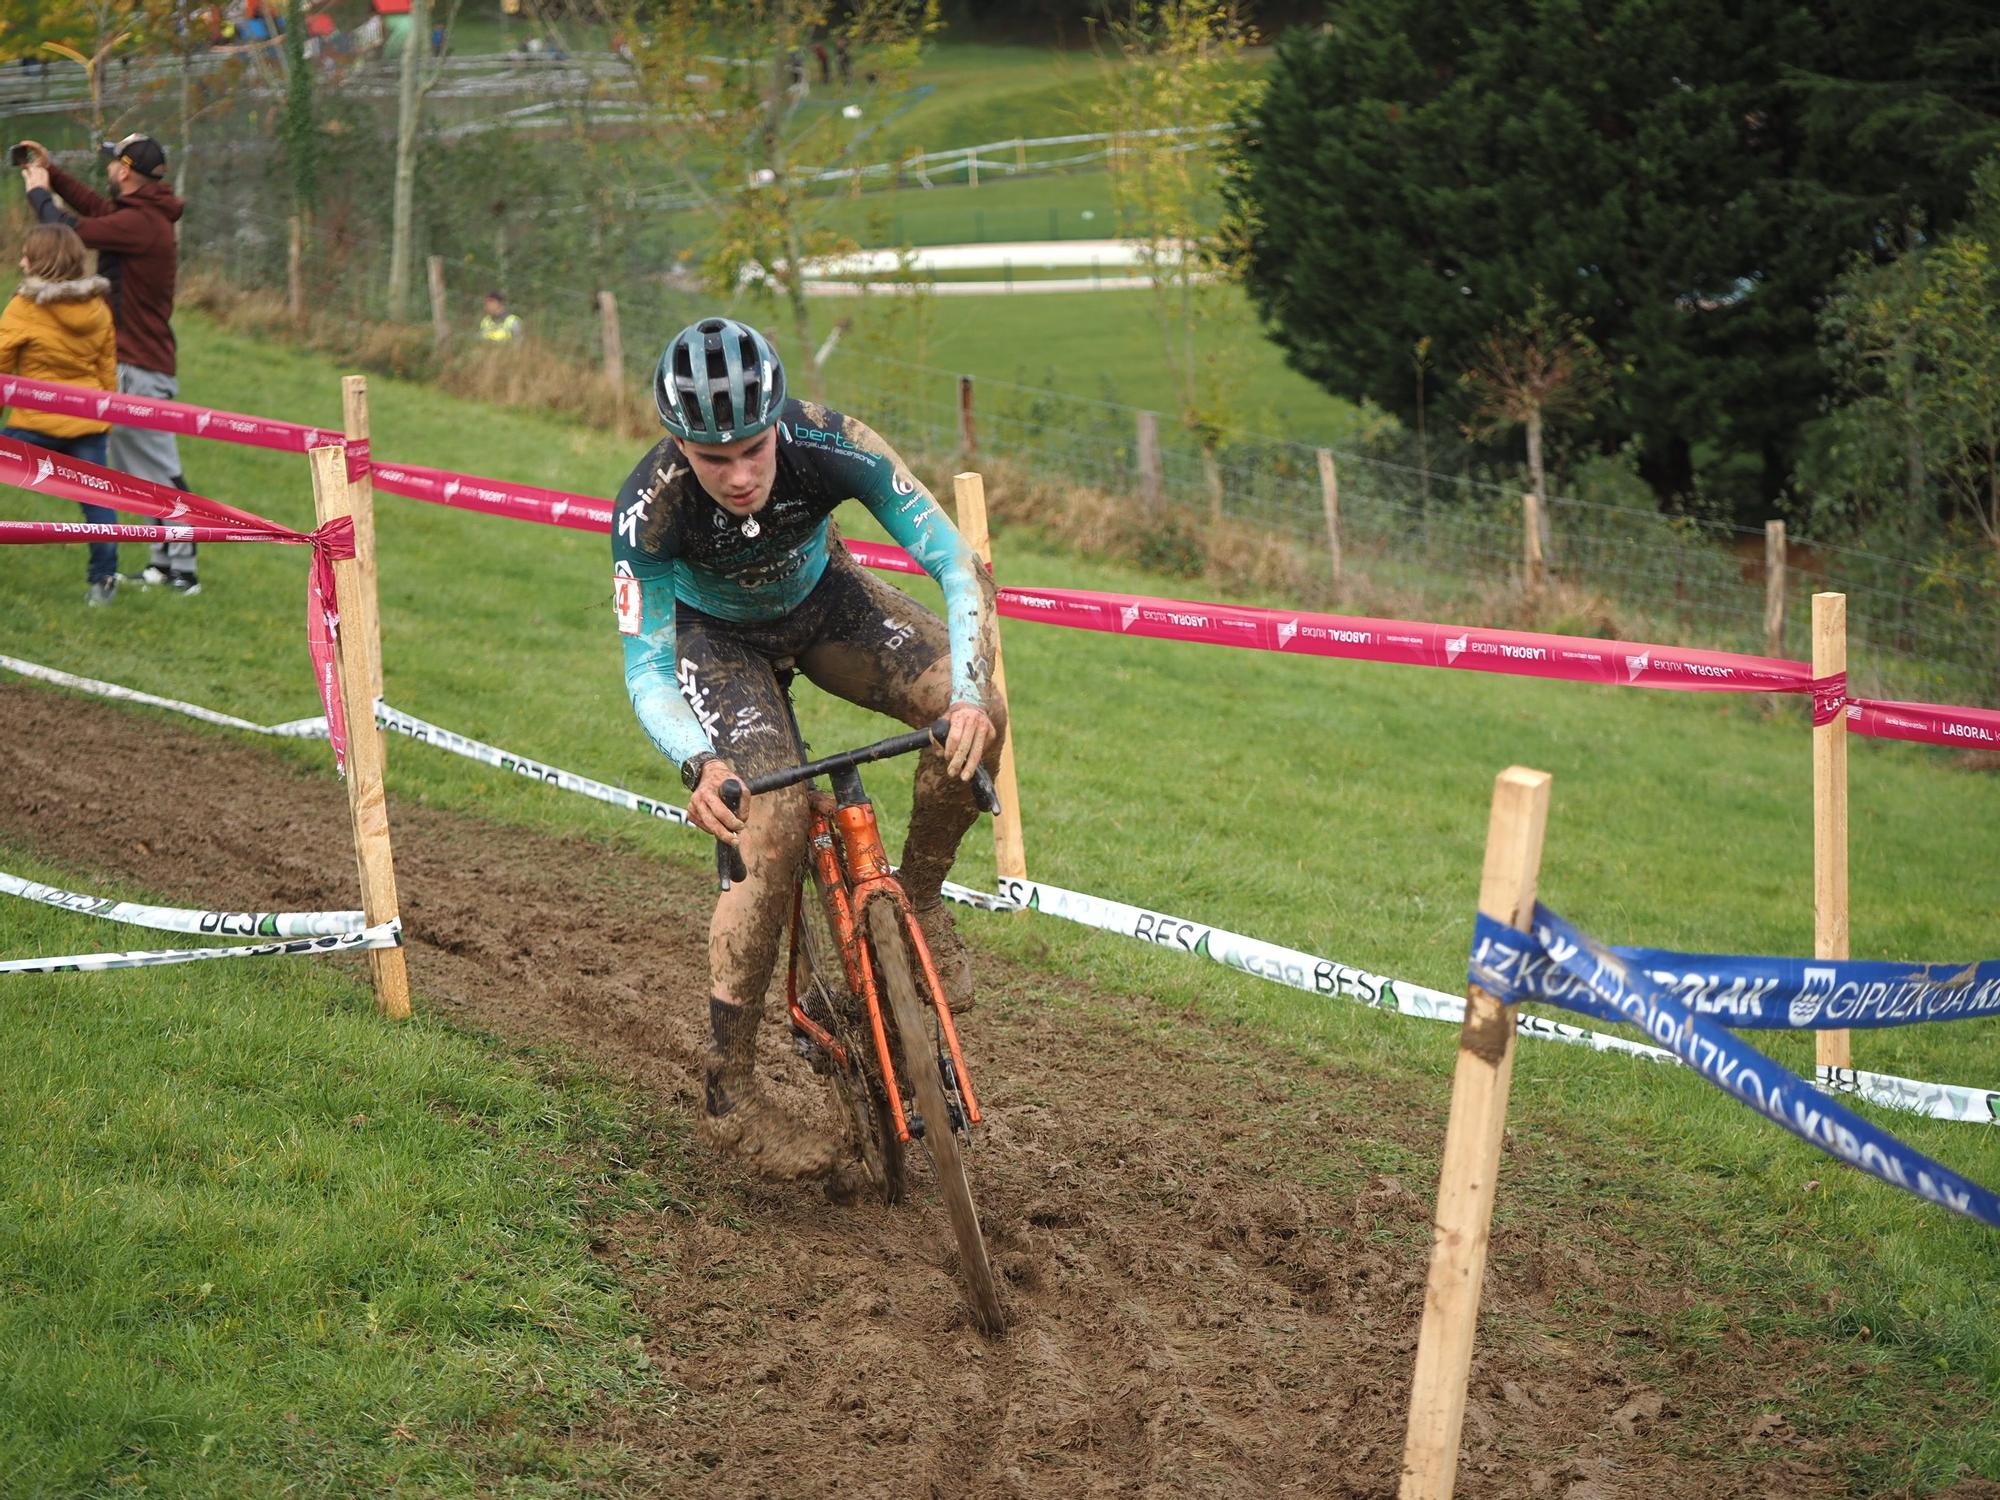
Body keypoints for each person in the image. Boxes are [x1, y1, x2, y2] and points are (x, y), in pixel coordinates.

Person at [614, 317, 1005, 1180]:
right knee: (773, 820)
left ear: (777, 420)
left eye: (753, 448)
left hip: (828, 608)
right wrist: (699, 760)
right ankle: (729, 1085)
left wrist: (972, 695)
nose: (742, 474)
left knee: (974, 709)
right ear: (679, 443)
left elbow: (955, 562)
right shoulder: (650, 507)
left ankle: (925, 905)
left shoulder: (833, 442)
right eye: (715, 460)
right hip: (719, 647)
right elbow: (645, 666)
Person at [19, 134, 196, 595]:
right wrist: (52, 172)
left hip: (141, 365)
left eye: (113, 163)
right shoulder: (141, 215)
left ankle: (185, 570)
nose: (109, 170)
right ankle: (163, 564)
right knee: (138, 471)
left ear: (124, 170)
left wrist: (39, 191)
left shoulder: (141, 223)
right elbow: (97, 210)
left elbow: (69, 231)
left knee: (160, 470)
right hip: (132, 361)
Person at [0, 224, 120, 605]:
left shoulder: (25, 306)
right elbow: (107, 370)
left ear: (42, 263)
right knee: (99, 504)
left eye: (27, 255)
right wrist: (106, 418)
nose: (21, 261)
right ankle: (103, 582)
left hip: (32, 424)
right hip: (88, 425)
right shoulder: (98, 308)